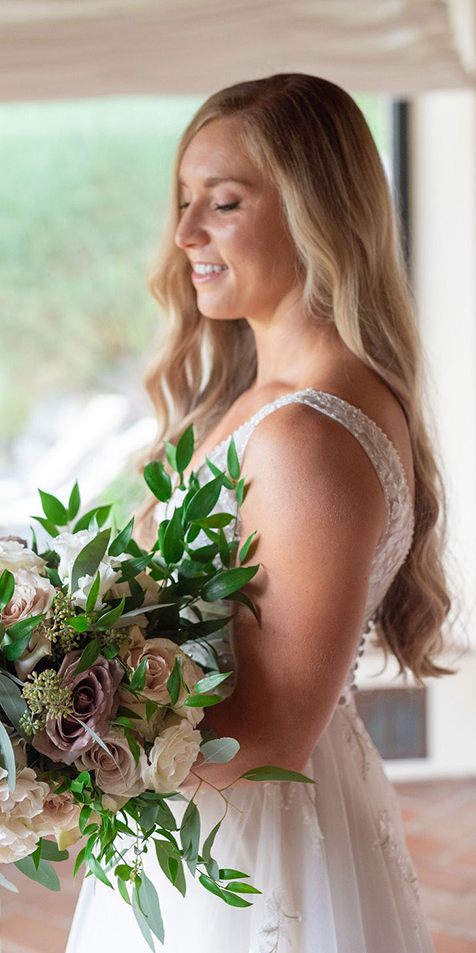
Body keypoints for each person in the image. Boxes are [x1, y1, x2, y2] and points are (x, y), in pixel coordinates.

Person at [65, 74, 451, 952]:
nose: (185, 234)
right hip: (208, 817)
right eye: (183, 200)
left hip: (248, 849)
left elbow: (276, 730)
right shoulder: (273, 399)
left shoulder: (304, 434)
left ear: (315, 211)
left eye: (224, 202)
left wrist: (56, 749)